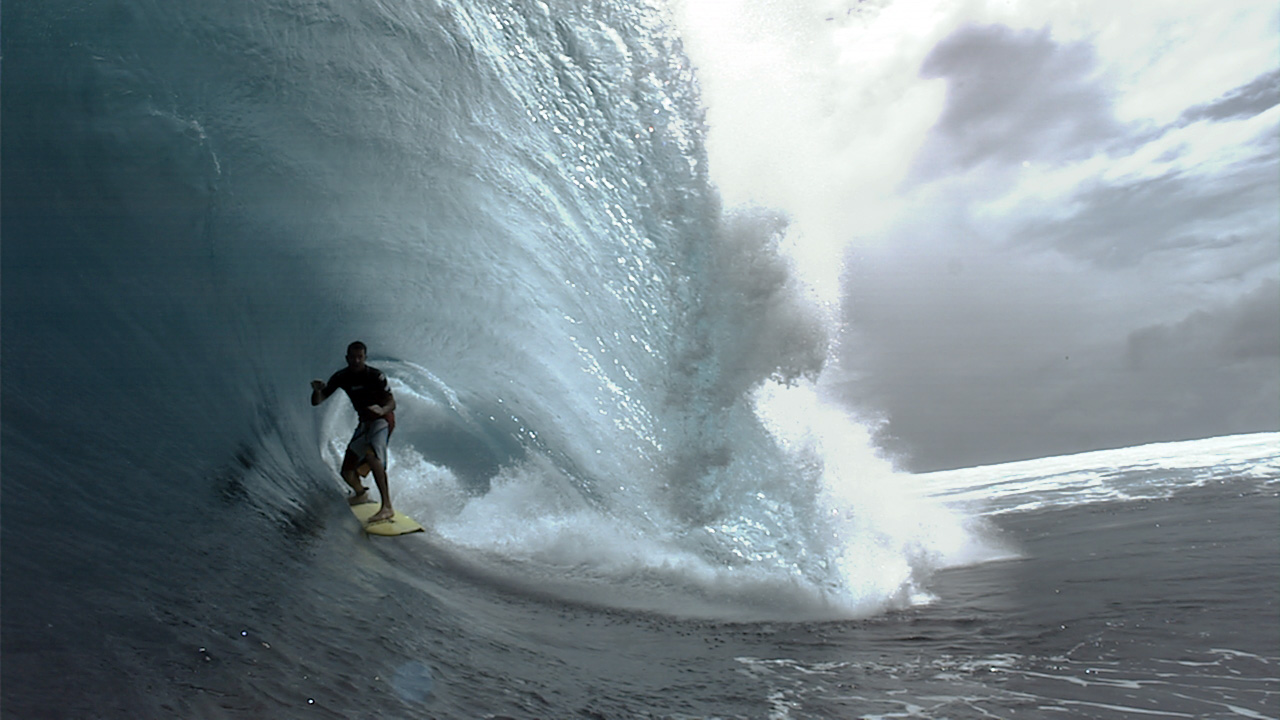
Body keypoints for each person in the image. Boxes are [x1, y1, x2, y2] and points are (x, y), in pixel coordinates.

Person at [311, 341, 397, 523]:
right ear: (347, 358)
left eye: (360, 357)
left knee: (373, 456)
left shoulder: (375, 376)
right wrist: (317, 391)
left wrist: (381, 411)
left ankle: (387, 507)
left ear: (365, 358)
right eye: (353, 357)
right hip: (365, 423)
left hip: (382, 420)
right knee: (347, 472)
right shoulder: (342, 377)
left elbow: (392, 403)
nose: (356, 360)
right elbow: (318, 401)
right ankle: (360, 494)